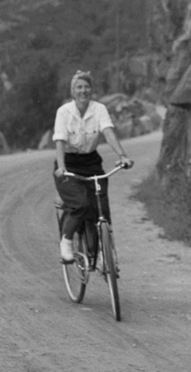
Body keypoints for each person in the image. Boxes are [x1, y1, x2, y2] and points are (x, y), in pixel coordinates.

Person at [53, 70, 132, 264]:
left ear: (91, 89)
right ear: (73, 91)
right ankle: (66, 241)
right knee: (80, 204)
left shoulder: (99, 109)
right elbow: (60, 141)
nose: (83, 91)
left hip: (91, 162)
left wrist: (122, 155)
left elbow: (108, 132)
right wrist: (61, 167)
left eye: (87, 87)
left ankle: (106, 251)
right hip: (68, 163)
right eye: (79, 87)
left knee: (101, 207)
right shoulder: (64, 112)